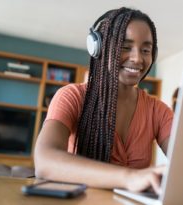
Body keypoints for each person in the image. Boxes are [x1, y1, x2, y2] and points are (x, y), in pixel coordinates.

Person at [34, 7, 173, 195]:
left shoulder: (158, 111)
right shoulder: (72, 96)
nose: (137, 58)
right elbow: (44, 162)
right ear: (99, 48)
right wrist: (129, 177)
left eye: (146, 50)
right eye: (125, 46)